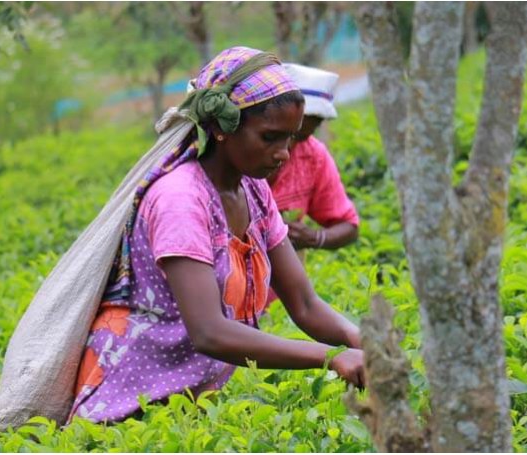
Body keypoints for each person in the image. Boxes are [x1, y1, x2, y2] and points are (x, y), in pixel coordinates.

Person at [68, 47, 364, 424]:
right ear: (223, 129)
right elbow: (209, 331)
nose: (284, 154)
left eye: (290, 139)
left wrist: (361, 341)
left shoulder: (253, 192)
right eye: (270, 137)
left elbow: (303, 303)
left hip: (190, 408)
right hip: (126, 410)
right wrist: (329, 357)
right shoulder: (181, 200)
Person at [266, 63, 359, 256]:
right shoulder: (237, 151)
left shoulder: (313, 156)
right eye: (277, 136)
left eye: (298, 136)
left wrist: (315, 238)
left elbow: (348, 226)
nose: (286, 150)